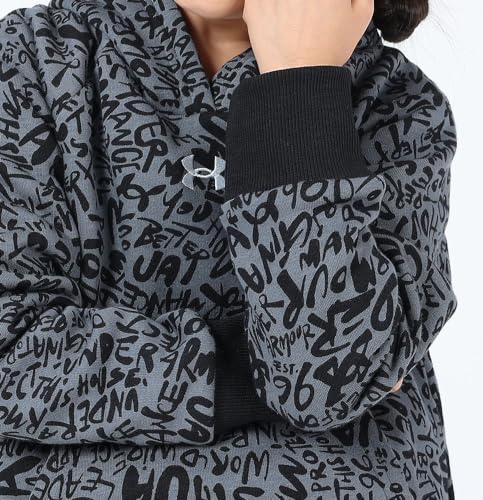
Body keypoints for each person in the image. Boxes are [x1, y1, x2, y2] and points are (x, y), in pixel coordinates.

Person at [0, 0, 458, 498]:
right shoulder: (34, 59)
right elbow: (12, 358)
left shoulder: (403, 109)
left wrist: (298, 85)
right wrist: (245, 370)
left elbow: (323, 382)